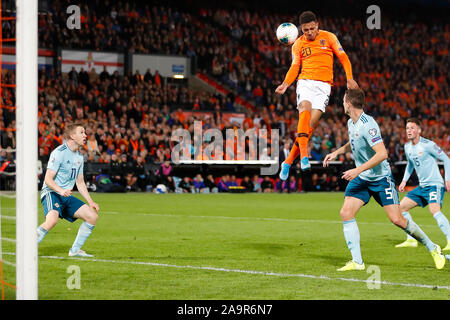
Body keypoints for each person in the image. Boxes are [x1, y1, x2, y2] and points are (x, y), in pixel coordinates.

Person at [323, 89, 445, 271]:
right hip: (363, 178)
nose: (341, 104)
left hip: (381, 178)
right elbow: (354, 143)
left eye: (343, 101)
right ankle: (357, 262)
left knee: (397, 219)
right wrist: (337, 152)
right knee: (346, 213)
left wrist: (357, 169)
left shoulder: (368, 124)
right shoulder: (351, 123)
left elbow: (382, 153)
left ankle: (432, 247)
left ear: (348, 103)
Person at [276, 11, 358, 179]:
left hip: (324, 86)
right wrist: (286, 83)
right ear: (301, 29)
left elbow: (343, 57)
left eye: (312, 29)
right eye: (306, 30)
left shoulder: (329, 37)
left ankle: (288, 161)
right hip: (305, 81)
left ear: (317, 25)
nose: (309, 32)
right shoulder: (297, 44)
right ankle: (304, 157)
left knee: (309, 125)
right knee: (304, 110)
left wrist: (349, 78)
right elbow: (294, 66)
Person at [37, 122, 100, 257]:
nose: (85, 135)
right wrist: (60, 190)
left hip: (65, 195)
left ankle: (75, 251)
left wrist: (91, 202)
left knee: (92, 216)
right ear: (72, 136)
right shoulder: (59, 153)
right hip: (52, 192)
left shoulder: (79, 156)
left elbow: (80, 182)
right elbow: (48, 179)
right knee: (52, 220)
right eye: (81, 132)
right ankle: (27, 247)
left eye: (85, 132)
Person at [395, 118, 450, 250]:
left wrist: (447, 179)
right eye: (407, 128)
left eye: (412, 128)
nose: (409, 131)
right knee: (401, 208)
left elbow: (446, 159)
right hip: (422, 187)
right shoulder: (407, 147)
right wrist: (403, 180)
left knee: (434, 211)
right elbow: (410, 164)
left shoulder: (428, 145)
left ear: (419, 130)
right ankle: (411, 239)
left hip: (434, 184)